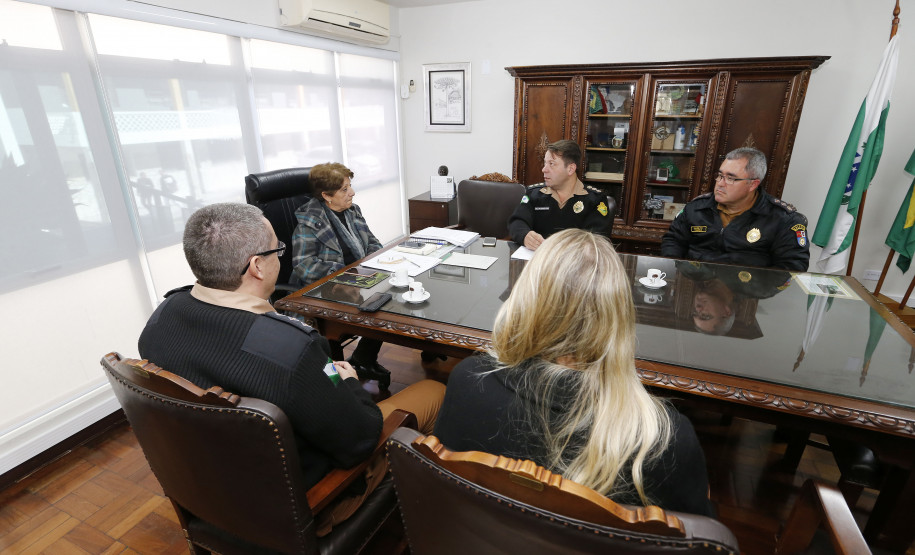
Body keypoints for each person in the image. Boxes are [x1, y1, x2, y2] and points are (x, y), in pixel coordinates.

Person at [138, 202, 445, 533]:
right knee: (435, 390)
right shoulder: (292, 348)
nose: (281, 257)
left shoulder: (160, 319)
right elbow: (360, 440)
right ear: (256, 266)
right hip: (313, 503)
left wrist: (327, 374)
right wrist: (351, 382)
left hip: (211, 493)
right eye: (277, 249)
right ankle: (427, 512)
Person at [433, 229, 715, 517]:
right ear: (617, 311)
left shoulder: (467, 379)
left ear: (527, 296)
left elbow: (445, 485)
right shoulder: (662, 439)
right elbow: (700, 537)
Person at [290, 162, 391, 387]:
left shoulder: (352, 211)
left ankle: (363, 359)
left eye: (350, 186)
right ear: (326, 195)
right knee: (379, 306)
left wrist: (375, 264)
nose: (352, 192)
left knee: (392, 295)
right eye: (344, 189)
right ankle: (343, 375)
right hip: (324, 288)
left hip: (358, 279)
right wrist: (347, 273)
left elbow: (373, 242)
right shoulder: (309, 222)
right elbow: (304, 266)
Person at [661, 147, 809, 271]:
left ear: (752, 184)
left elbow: (793, 267)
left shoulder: (783, 219)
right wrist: (678, 272)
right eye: (720, 175)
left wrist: (752, 289)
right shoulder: (697, 207)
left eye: (730, 178)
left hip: (745, 295)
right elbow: (673, 240)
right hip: (694, 286)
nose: (720, 183)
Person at [508, 139, 612, 250]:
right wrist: (525, 236)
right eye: (545, 163)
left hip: (574, 263)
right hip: (539, 262)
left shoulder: (595, 200)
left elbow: (597, 240)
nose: (544, 169)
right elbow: (517, 221)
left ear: (570, 169)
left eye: (551, 164)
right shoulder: (534, 194)